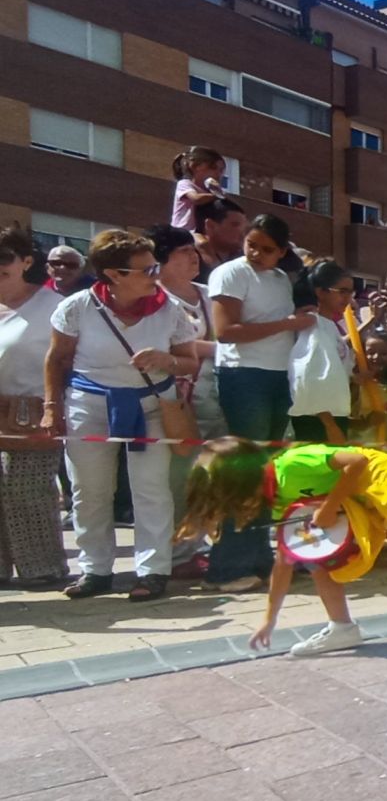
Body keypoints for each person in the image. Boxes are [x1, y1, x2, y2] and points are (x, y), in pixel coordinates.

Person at [179, 437, 387, 655]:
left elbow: (357, 460)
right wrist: (269, 619)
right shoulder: (276, 498)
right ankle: (341, 627)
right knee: (315, 557)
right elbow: (285, 559)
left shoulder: (292, 464)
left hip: (384, 485)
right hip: (364, 500)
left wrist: (330, 505)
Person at [41, 230, 200, 601]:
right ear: (114, 275)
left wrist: (166, 360)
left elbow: (190, 362)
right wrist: (52, 408)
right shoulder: (77, 307)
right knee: (89, 490)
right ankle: (95, 570)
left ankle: (153, 571)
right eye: (147, 269)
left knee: (151, 489)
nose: (156, 275)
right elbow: (57, 359)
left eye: (155, 266)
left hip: (153, 404)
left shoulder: (170, 308)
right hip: (89, 404)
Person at [206, 214, 311, 593]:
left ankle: (259, 557)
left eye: (267, 249)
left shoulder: (282, 278)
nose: (256, 254)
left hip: (278, 377)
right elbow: (225, 332)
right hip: (243, 376)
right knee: (245, 470)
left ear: (282, 252)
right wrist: (287, 324)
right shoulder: (230, 273)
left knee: (266, 471)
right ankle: (227, 566)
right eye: (252, 245)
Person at [151, 225, 223, 580]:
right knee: (178, 479)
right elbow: (171, 347)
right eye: (183, 251)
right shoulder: (154, 299)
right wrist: (223, 348)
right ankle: (179, 553)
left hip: (217, 398)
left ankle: (206, 546)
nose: (193, 257)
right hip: (173, 401)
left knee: (213, 476)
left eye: (194, 250)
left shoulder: (210, 294)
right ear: (161, 259)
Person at [0, 226, 67, 589]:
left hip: (33, 411)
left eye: (4, 258)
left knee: (27, 491)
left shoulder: (53, 306)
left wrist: (57, 407)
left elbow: (68, 360)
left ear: (26, 261)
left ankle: (43, 567)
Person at [288, 262, 356, 445]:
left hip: (336, 413)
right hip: (318, 418)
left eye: (350, 292)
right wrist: (329, 424)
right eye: (342, 291)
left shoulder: (329, 325)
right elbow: (308, 376)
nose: (347, 298)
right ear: (321, 292)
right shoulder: (312, 324)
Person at [170, 146, 226, 229]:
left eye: (221, 171)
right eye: (213, 168)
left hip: (197, 231)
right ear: (196, 167)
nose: (218, 173)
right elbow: (196, 199)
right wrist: (218, 196)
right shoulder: (185, 184)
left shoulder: (210, 191)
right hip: (181, 230)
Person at [192, 198, 245, 277]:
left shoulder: (244, 259)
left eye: (244, 227)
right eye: (235, 225)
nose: (242, 232)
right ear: (210, 226)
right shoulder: (189, 258)